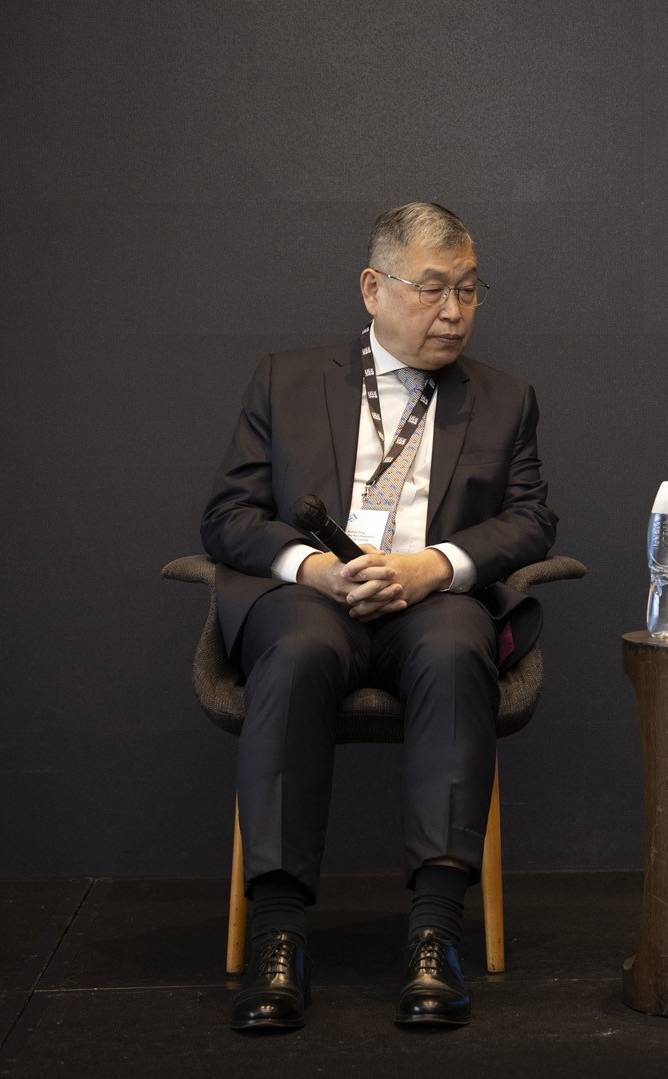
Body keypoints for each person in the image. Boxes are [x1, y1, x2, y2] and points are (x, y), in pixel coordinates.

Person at [201, 202, 557, 1030]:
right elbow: (228, 516)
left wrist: (436, 564)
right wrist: (314, 568)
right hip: (311, 600)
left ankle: (435, 934)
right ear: (373, 287)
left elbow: (532, 519)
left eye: (469, 289)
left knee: (458, 645)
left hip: (430, 604)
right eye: (433, 289)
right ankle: (278, 938)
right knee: (295, 650)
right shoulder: (285, 380)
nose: (454, 310)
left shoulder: (505, 398)